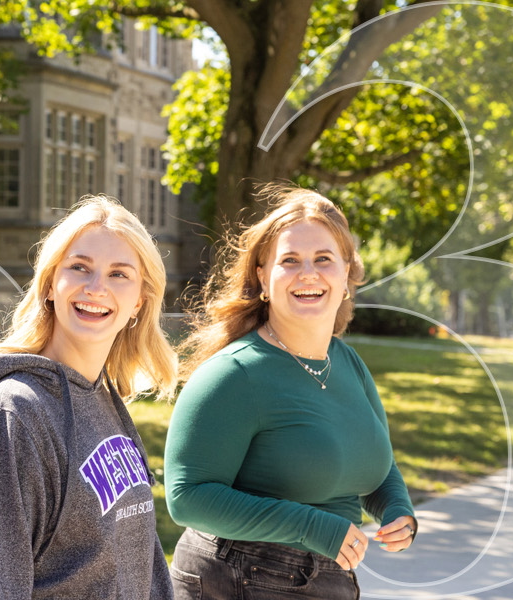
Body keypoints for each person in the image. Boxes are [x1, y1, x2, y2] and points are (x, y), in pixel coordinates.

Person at [163, 184, 418, 599]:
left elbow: (372, 458)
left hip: (330, 578)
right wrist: (312, 526)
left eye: (323, 259)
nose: (308, 274)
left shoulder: (346, 362)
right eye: (290, 261)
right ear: (263, 277)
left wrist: (397, 508)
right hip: (239, 577)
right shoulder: (235, 374)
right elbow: (186, 497)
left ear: (347, 274)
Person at [0, 196, 179, 598]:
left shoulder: (103, 398)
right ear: (51, 284)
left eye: (119, 274)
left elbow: (140, 563)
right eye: (79, 268)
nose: (96, 288)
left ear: (139, 301)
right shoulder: (15, 415)